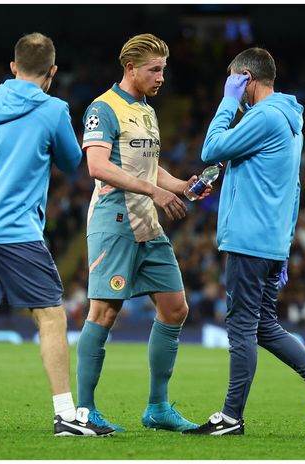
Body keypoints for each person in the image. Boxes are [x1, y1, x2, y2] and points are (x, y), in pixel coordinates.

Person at [0, 33, 112, 437]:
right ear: (52, 72)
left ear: (13, 67)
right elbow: (69, 161)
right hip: (16, 232)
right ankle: (65, 414)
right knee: (50, 316)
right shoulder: (53, 110)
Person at [184, 47, 305, 437]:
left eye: (234, 80)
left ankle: (231, 417)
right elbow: (293, 187)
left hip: (249, 241)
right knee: (264, 326)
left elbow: (211, 148)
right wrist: (283, 246)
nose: (231, 86)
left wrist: (226, 102)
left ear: (245, 79)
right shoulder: (287, 119)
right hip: (269, 240)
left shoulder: (264, 116)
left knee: (241, 328)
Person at [77, 33, 202, 434]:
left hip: (148, 224)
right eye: (155, 69)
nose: (161, 77)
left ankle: (158, 408)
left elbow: (147, 166)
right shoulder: (103, 108)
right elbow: (97, 166)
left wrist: (182, 185)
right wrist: (155, 190)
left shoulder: (146, 110)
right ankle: (84, 411)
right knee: (104, 312)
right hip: (114, 222)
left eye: (163, 69)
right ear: (130, 68)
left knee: (175, 308)